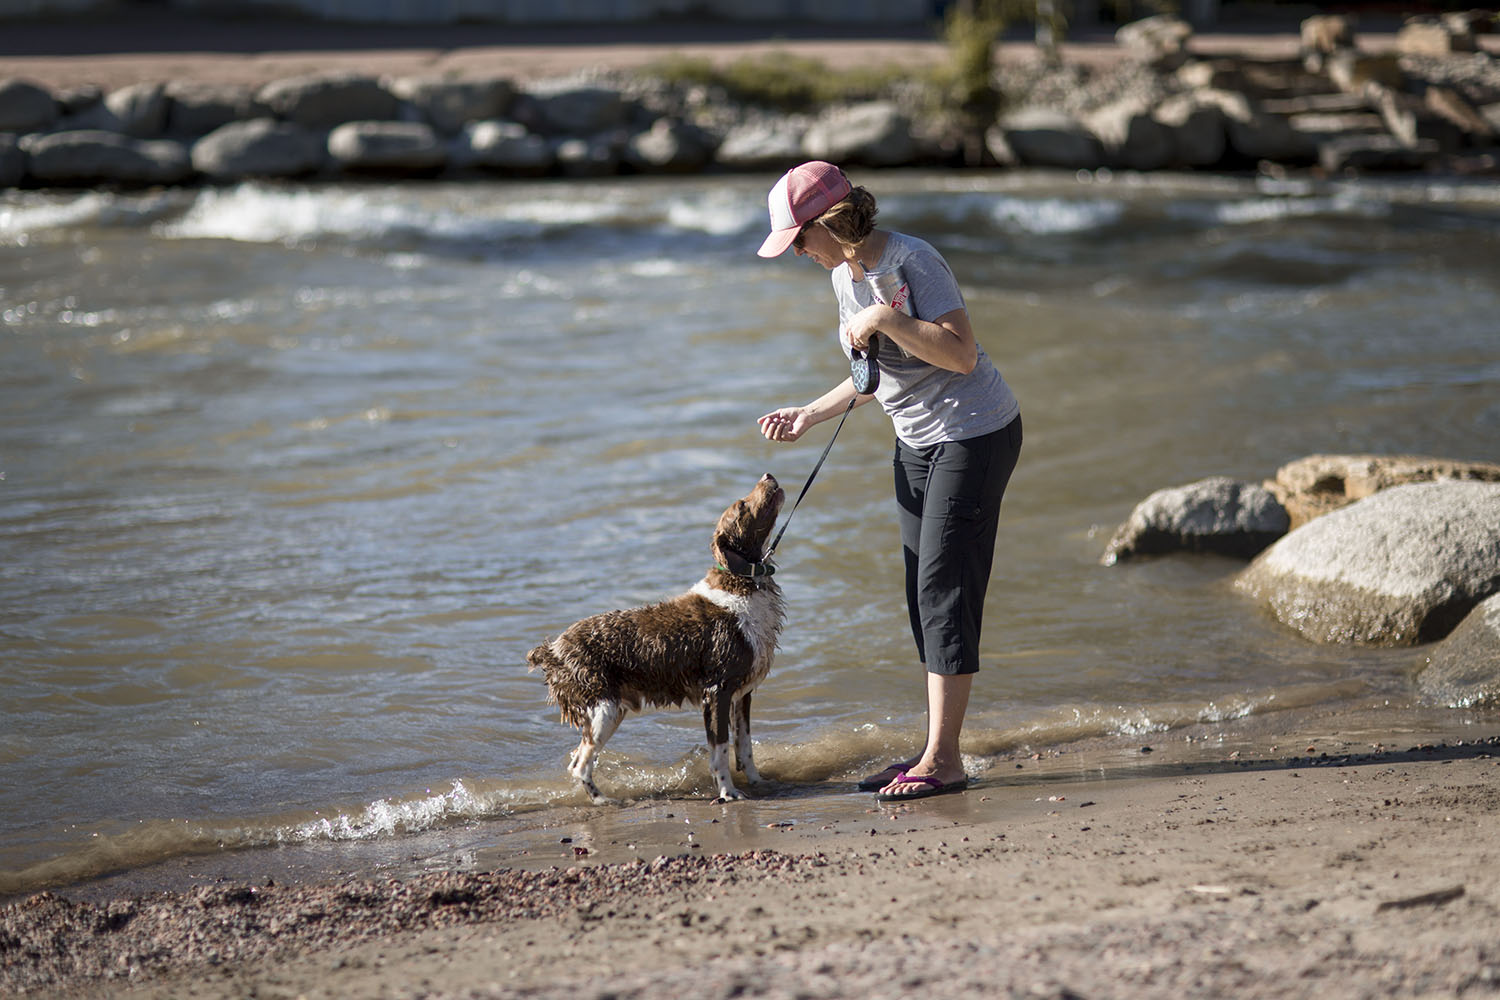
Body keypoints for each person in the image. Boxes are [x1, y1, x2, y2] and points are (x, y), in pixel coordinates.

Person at [755, 161, 1022, 802]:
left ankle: (944, 761)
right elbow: (878, 379)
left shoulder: (912, 261)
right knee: (920, 592)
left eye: (797, 240)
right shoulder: (845, 279)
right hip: (916, 444)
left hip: (974, 433)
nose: (796, 254)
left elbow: (959, 354)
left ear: (828, 223)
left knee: (944, 589)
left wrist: (882, 319)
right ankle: (933, 750)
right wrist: (808, 415)